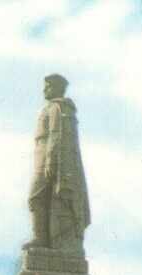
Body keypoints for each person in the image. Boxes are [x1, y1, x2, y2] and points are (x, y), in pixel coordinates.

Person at [25, 73, 91, 251]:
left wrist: (50, 161)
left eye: (47, 86)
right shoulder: (50, 108)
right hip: (40, 156)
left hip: (46, 159)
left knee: (35, 196)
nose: (44, 90)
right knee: (42, 198)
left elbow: (56, 135)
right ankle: (42, 239)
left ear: (56, 87)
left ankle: (40, 238)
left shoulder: (58, 107)